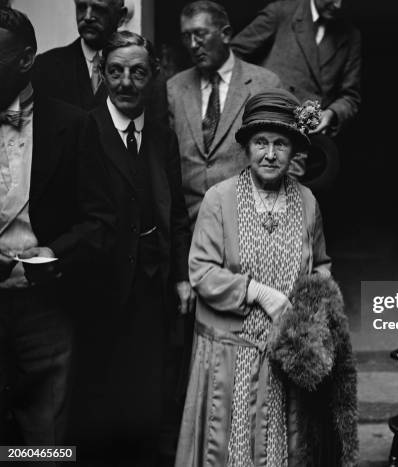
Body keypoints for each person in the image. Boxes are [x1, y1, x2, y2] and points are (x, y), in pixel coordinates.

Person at [174, 89, 333, 466]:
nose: (270, 154)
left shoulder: (307, 201)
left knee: (280, 448)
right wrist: (261, 293)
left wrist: (309, 316)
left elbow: (321, 266)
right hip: (230, 357)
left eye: (281, 144)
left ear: (294, 151)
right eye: (261, 142)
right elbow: (202, 270)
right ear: (246, 148)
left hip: (282, 357)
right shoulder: (219, 199)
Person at [75, 30, 192, 462]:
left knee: (148, 399)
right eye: (116, 71)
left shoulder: (161, 135)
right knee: (102, 401)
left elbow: (177, 214)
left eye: (137, 72)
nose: (126, 82)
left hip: (153, 287)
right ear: (101, 73)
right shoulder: (83, 129)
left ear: (154, 77)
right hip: (101, 288)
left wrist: (181, 276)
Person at [0, 6, 113, 446]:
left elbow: (102, 220)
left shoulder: (72, 124)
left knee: (43, 444)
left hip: (45, 308)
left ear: (27, 59)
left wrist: (50, 258)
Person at [167, 0, 281, 227]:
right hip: (189, 228)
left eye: (200, 34)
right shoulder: (174, 88)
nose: (192, 44)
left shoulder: (265, 84)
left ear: (226, 34)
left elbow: (289, 153)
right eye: (186, 36)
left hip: (251, 226)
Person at [231, 0, 361, 137]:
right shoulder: (281, 12)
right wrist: (253, 98)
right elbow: (233, 57)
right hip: (262, 125)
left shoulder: (351, 36)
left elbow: (350, 97)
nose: (338, 5)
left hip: (308, 137)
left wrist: (331, 113)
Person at [31, 0, 126, 110]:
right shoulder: (45, 66)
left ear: (120, 16)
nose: (87, 17)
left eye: (99, 9)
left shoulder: (137, 70)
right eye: (81, 7)